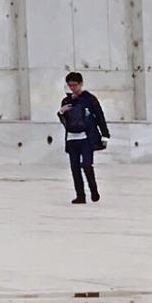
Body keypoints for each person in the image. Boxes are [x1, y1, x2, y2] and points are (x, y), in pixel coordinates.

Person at [60, 71, 110, 205]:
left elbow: (100, 116)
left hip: (86, 138)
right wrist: (61, 112)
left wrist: (105, 135)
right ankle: (80, 195)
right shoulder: (66, 100)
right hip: (71, 139)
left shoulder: (89, 99)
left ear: (80, 84)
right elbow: (64, 121)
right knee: (74, 167)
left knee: (87, 165)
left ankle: (93, 190)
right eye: (70, 85)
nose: (72, 88)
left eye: (74, 85)